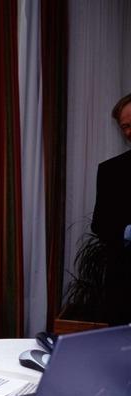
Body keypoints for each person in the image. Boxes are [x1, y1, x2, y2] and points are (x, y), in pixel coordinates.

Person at [91, 92, 131, 325]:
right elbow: (99, 224)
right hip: (125, 290)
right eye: (125, 126)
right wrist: (127, 232)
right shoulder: (110, 171)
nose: (129, 131)